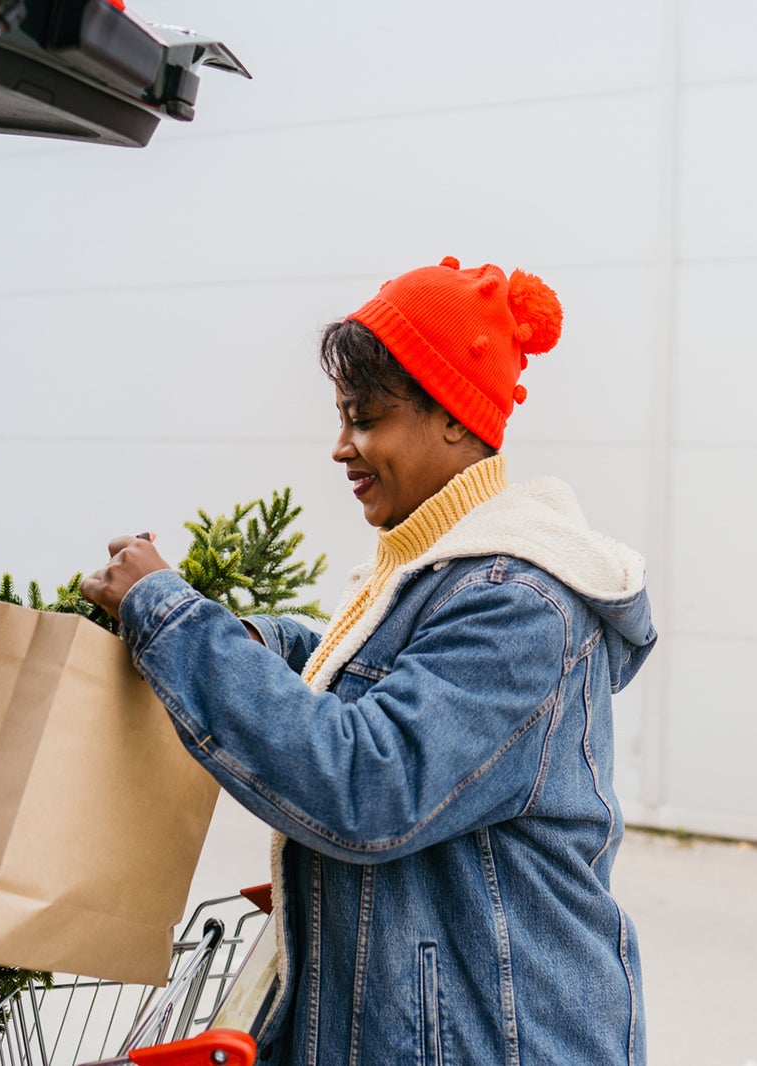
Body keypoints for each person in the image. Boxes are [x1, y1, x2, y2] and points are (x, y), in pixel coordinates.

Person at [81, 257, 657, 1066]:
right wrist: (263, 646)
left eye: (365, 418)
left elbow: (368, 781)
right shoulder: (435, 574)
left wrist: (171, 619)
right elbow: (374, 682)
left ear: (453, 417)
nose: (341, 448)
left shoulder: (517, 604)